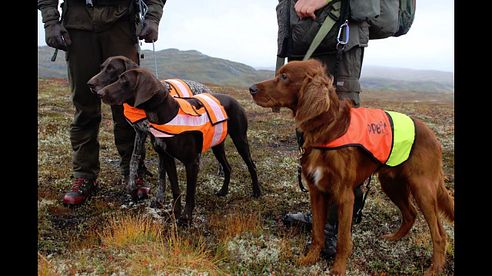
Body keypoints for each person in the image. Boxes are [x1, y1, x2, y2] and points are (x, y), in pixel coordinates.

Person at [38, 0, 166, 206]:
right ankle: (84, 175)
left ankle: (134, 171)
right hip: (78, 25)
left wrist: (152, 17)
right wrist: (50, 20)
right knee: (84, 106)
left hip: (121, 24)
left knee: (127, 106)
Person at [279, 0, 369, 258]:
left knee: (341, 138)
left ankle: (335, 227)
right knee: (311, 136)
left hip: (339, 38)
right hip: (302, 40)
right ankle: (321, 217)